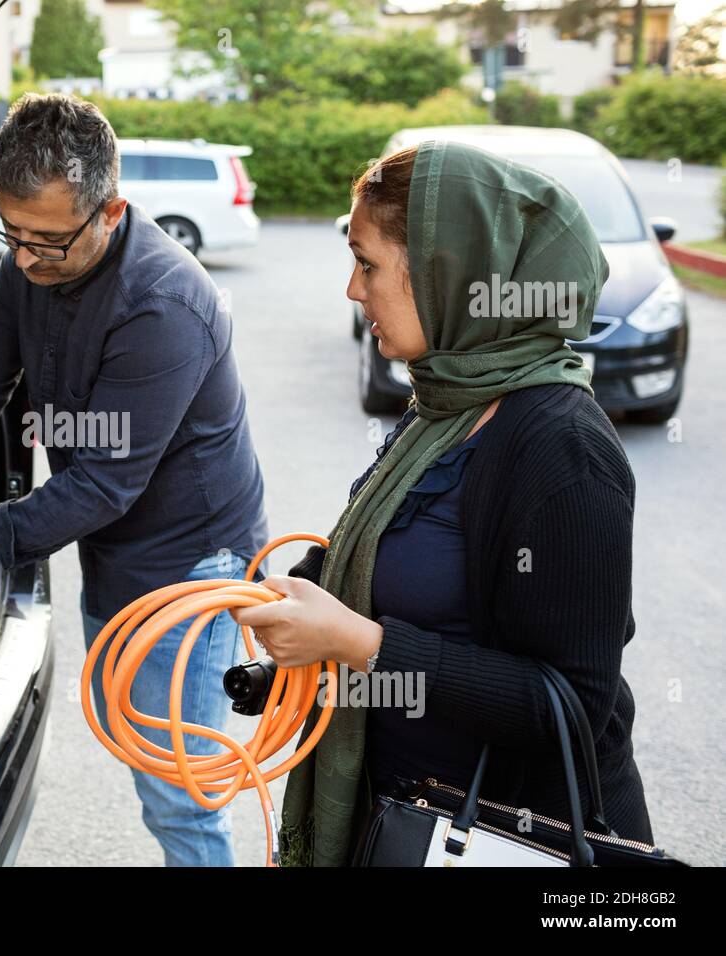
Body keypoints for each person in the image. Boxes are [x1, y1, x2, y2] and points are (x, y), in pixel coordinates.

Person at [0, 93, 269, 867]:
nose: (29, 260)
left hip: (191, 562)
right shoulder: (31, 262)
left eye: (49, 242)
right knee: (129, 726)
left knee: (179, 792)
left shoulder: (164, 306)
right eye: (16, 236)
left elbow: (105, 486)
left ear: (112, 210)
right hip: (113, 545)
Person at [229, 140, 654, 866]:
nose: (352, 290)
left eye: (367, 263)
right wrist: (301, 621)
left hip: (498, 839)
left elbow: (571, 710)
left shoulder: (563, 447)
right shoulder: (445, 403)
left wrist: (361, 645)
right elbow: (391, 564)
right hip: (400, 821)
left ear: (447, 273)